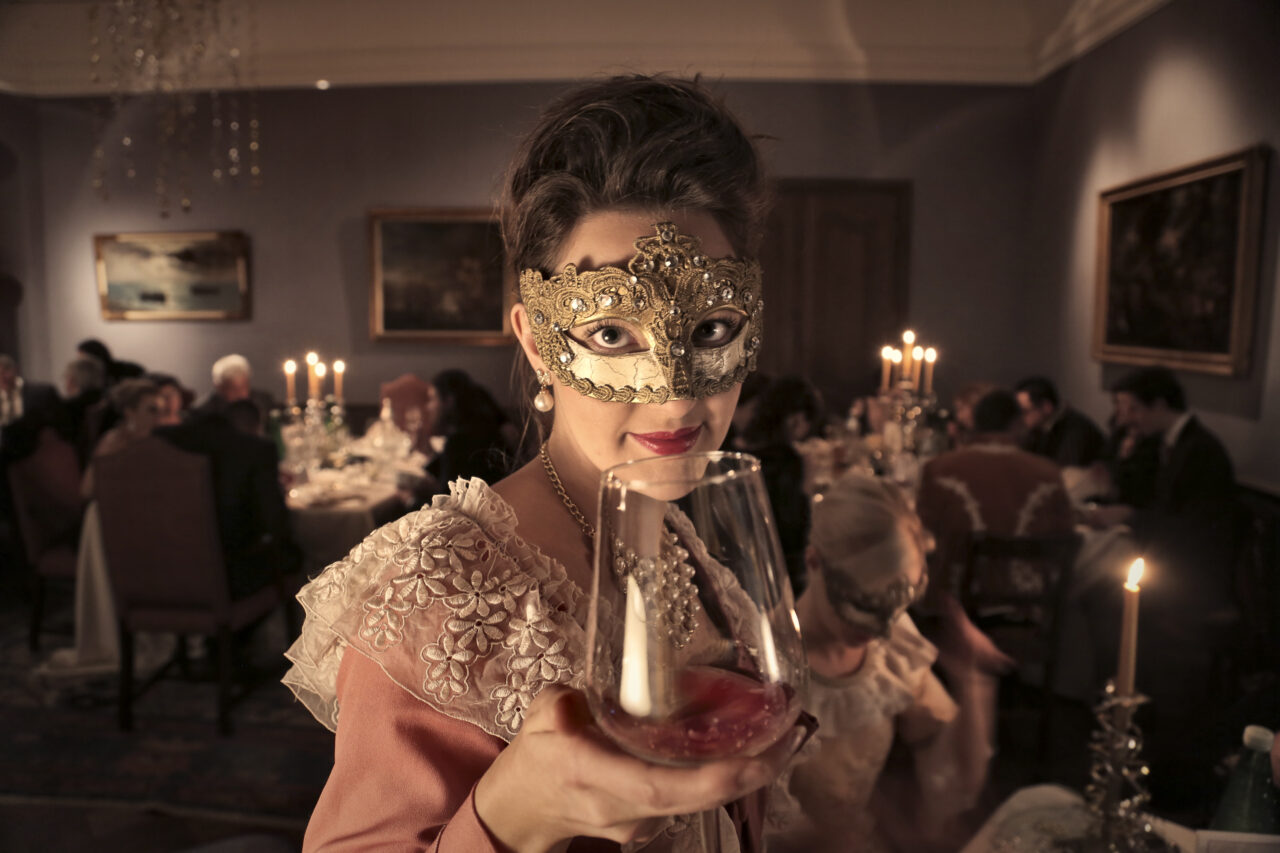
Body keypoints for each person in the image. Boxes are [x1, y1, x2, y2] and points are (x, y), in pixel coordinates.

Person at [284, 75, 803, 851]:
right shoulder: (440, 584)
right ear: (536, 341)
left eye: (711, 329)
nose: (675, 399)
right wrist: (509, 816)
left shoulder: (701, 556)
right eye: (612, 335)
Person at [767, 474, 1003, 853]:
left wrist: (971, 680)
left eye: (894, 610)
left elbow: (950, 778)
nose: (879, 632)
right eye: (863, 607)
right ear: (814, 561)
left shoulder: (890, 654)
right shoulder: (763, 663)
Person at [1083, 367, 1238, 608]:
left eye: (1133, 409)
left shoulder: (1201, 451)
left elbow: (1194, 525)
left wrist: (1132, 517)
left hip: (1191, 566)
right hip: (1163, 549)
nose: (1125, 419)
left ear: (1159, 405)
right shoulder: (1159, 442)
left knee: (1095, 582)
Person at [916, 389, 1074, 612]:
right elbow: (1064, 535)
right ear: (1017, 424)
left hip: (952, 601)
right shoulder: (1047, 474)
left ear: (975, 423)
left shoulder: (939, 469)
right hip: (1028, 600)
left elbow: (923, 533)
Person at [156, 400, 300, 599]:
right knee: (300, 557)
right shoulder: (254, 449)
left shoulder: (170, 441)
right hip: (231, 575)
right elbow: (275, 524)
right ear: (255, 427)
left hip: (164, 571)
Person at [738, 376, 826, 594]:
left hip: (738, 566)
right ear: (795, 420)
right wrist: (807, 486)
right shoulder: (788, 461)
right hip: (780, 577)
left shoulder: (736, 448)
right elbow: (795, 534)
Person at [426, 369, 515, 491]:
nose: (428, 407)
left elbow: (447, 502)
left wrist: (410, 499)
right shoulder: (482, 428)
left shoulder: (460, 442)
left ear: (448, 401)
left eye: (432, 398)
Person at [81, 378, 161, 498]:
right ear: (130, 412)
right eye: (152, 410)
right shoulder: (113, 442)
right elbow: (87, 489)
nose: (159, 417)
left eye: (161, 411)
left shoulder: (153, 440)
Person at [1013, 376, 1105, 468]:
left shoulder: (1076, 430)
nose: (1020, 418)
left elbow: (1064, 470)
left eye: (1024, 412)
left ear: (1046, 407)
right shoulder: (1037, 428)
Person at [191, 354, 273, 427]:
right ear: (219, 387)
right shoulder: (204, 413)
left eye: (244, 387)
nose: (241, 394)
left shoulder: (264, 402)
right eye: (233, 389)